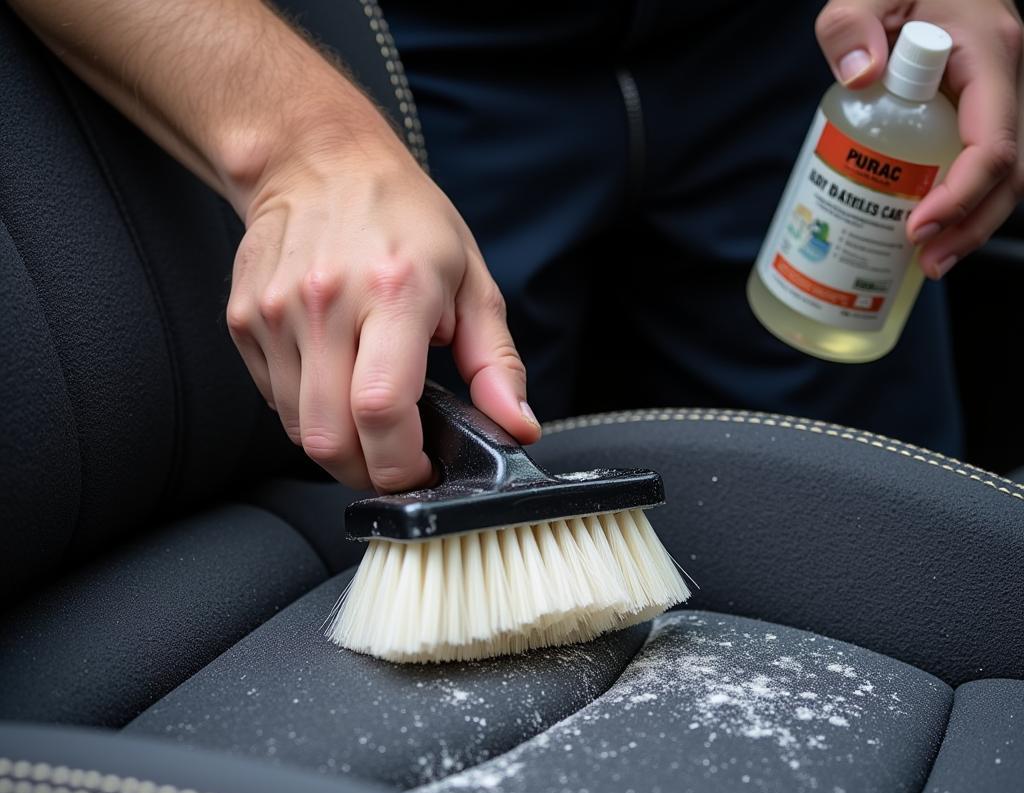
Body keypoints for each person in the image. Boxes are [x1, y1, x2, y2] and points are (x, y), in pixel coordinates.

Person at [12, 0, 1023, 493]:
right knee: (432, 464)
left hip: (800, 55)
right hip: (391, 53)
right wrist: (304, 146)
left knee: (869, 516)